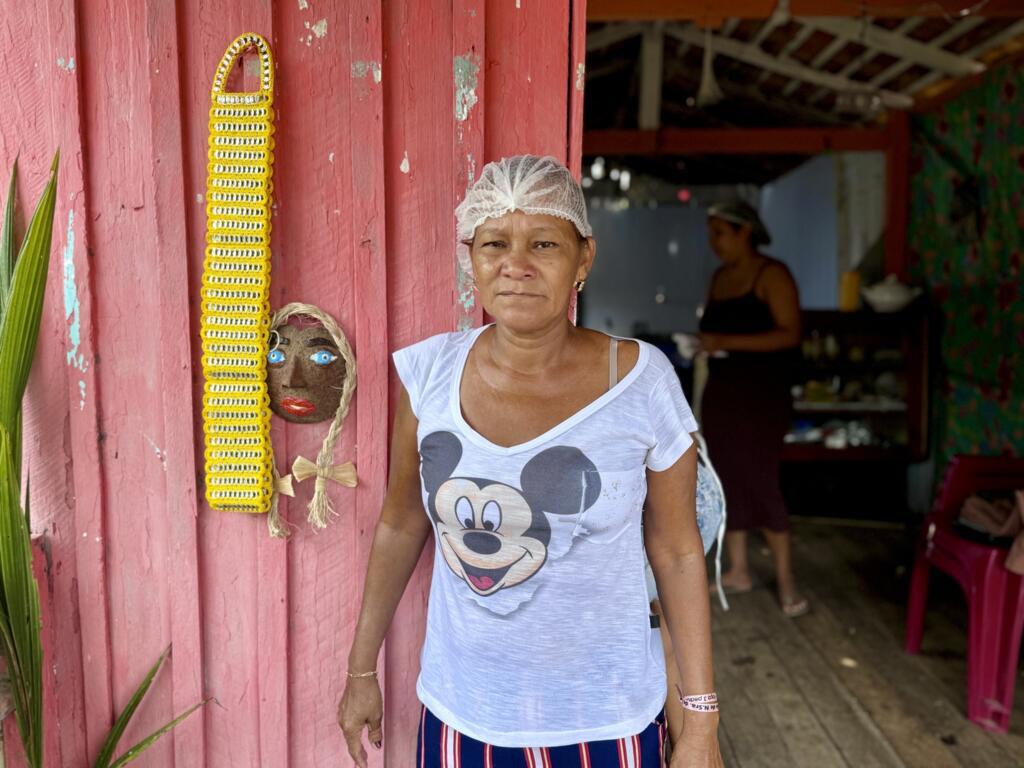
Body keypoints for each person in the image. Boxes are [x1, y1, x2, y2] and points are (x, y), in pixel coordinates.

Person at [338, 155, 724, 767]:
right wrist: (362, 669)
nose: (516, 266)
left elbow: (676, 550)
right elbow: (401, 522)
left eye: (544, 243)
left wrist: (700, 722)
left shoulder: (642, 381)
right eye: (495, 243)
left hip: (607, 718)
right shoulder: (430, 374)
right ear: (472, 259)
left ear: (583, 260)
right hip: (465, 712)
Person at [697, 201, 807, 618]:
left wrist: (725, 341)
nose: (714, 243)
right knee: (726, 477)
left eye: (720, 233)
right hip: (723, 393)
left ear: (745, 232)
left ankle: (786, 580)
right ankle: (739, 570)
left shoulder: (772, 275)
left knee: (761, 479)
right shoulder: (721, 277)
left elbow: (790, 334)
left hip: (762, 396)